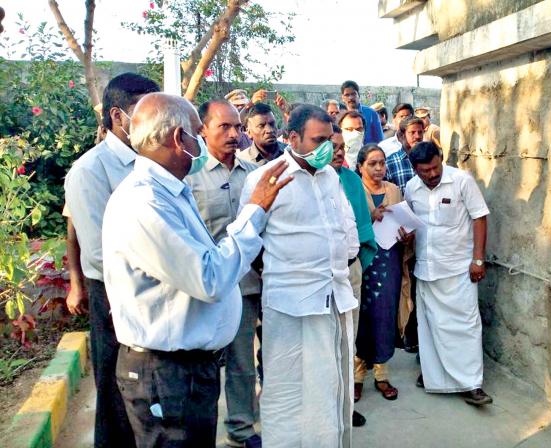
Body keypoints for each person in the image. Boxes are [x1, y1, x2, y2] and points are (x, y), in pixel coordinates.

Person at [103, 93, 292, 447]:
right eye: (196, 133)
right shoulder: (144, 202)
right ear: (179, 139)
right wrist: (255, 212)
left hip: (185, 371)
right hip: (166, 373)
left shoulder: (170, 191)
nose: (201, 142)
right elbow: (209, 278)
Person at [239, 104, 360, 447]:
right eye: (317, 140)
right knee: (289, 387)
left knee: (328, 385)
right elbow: (247, 242)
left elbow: (344, 225)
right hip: (289, 305)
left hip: (333, 299)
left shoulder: (331, 176)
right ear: (292, 138)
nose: (326, 147)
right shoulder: (264, 179)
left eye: (329, 139)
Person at [63, 72, 160, 448]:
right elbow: (101, 253)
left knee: (147, 395)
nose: (154, 121)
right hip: (114, 296)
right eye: (144, 112)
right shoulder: (90, 170)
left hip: (152, 290)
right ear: (119, 117)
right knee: (117, 395)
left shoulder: (150, 162)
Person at [184, 99, 262, 448]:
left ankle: (253, 424)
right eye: (224, 127)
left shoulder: (252, 175)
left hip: (255, 282)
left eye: (237, 127)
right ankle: (221, 431)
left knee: (256, 360)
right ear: (202, 130)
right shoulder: (189, 177)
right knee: (222, 365)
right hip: (217, 286)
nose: (234, 134)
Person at [404, 141, 493, 406]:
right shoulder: (411, 188)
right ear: (415, 170)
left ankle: (471, 384)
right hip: (427, 268)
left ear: (440, 159)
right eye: (424, 171)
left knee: (465, 326)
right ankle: (435, 377)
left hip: (458, 268)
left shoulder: (461, 181)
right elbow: (410, 222)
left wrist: (478, 259)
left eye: (434, 167)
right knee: (432, 327)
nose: (431, 174)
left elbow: (480, 217)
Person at [354, 144, 414, 403]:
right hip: (362, 259)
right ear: (360, 167)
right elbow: (348, 225)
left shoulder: (394, 190)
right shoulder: (354, 190)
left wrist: (405, 234)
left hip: (389, 259)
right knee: (360, 314)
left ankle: (381, 373)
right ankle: (357, 375)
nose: (379, 168)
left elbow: (403, 221)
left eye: (382, 163)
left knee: (385, 313)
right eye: (372, 164)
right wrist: (370, 218)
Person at [330, 125, 378, 428]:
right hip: (319, 276)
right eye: (328, 144)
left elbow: (362, 224)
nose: (336, 151)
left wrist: (357, 261)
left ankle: (345, 405)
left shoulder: (350, 179)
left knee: (349, 339)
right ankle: (325, 407)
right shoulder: (303, 181)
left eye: (338, 146)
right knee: (323, 343)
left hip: (351, 269)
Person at [385, 116, 425, 194]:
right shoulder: (390, 163)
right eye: (412, 132)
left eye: (420, 132)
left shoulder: (429, 159)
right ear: (402, 135)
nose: (417, 136)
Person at [340, 80, 383, 144]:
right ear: (342, 98)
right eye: (347, 95)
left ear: (358, 95)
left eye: (353, 94)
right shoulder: (340, 115)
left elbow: (379, 140)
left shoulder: (371, 113)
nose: (350, 97)